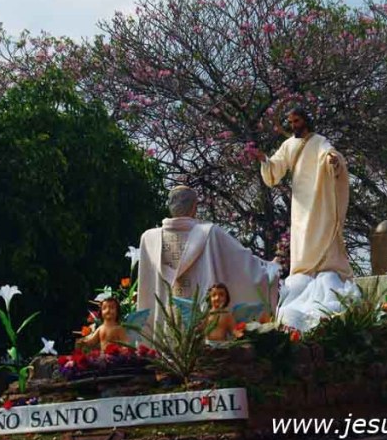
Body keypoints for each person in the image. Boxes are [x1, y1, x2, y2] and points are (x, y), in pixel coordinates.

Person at [255, 108, 358, 330]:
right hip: (301, 202)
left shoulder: (318, 140)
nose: (294, 125)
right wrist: (264, 160)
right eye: (291, 121)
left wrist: (333, 160)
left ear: (306, 121)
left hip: (319, 197)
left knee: (323, 230)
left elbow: (329, 154)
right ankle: (305, 270)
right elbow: (275, 169)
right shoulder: (289, 145)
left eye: (297, 120)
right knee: (302, 235)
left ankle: (325, 268)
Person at [137, 186, 279, 334]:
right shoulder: (211, 233)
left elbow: (147, 293)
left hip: (163, 327)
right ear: (194, 207)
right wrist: (271, 270)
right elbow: (244, 266)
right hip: (206, 331)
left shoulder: (149, 239)